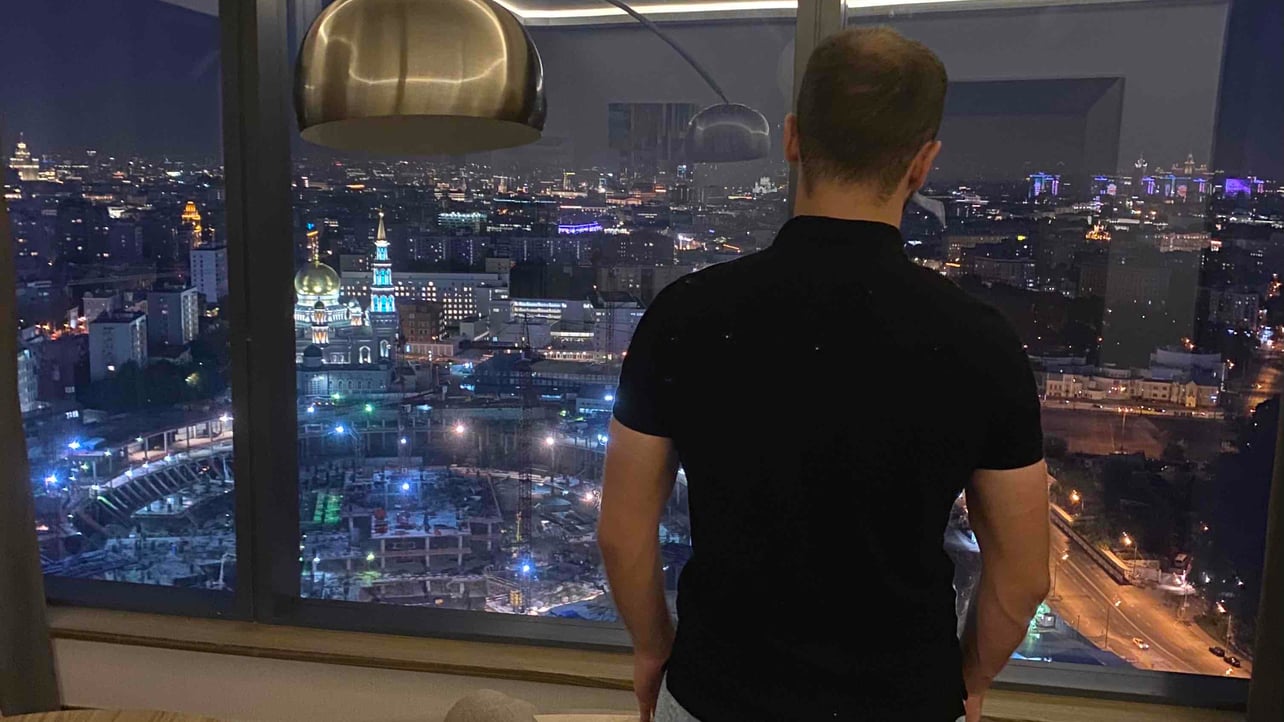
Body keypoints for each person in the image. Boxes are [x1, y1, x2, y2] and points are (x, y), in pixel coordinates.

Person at [596, 26, 1051, 722]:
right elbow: (1022, 578)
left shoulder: (686, 314)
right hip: (907, 700)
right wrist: (970, 678)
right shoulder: (982, 341)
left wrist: (654, 648)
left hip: (720, 693)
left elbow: (623, 533)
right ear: (923, 163)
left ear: (792, 138)